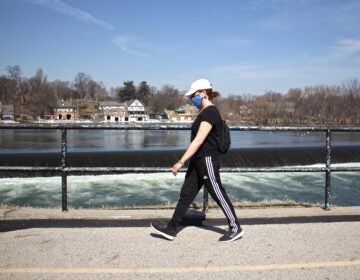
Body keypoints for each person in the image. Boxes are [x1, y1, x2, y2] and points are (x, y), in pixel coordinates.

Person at [151, 78, 244, 242]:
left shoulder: (210, 112)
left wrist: (181, 162)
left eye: (193, 95)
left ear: (203, 93)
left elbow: (199, 140)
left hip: (207, 159)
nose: (191, 99)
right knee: (186, 194)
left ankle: (235, 228)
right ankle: (171, 228)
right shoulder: (203, 112)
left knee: (217, 192)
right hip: (198, 160)